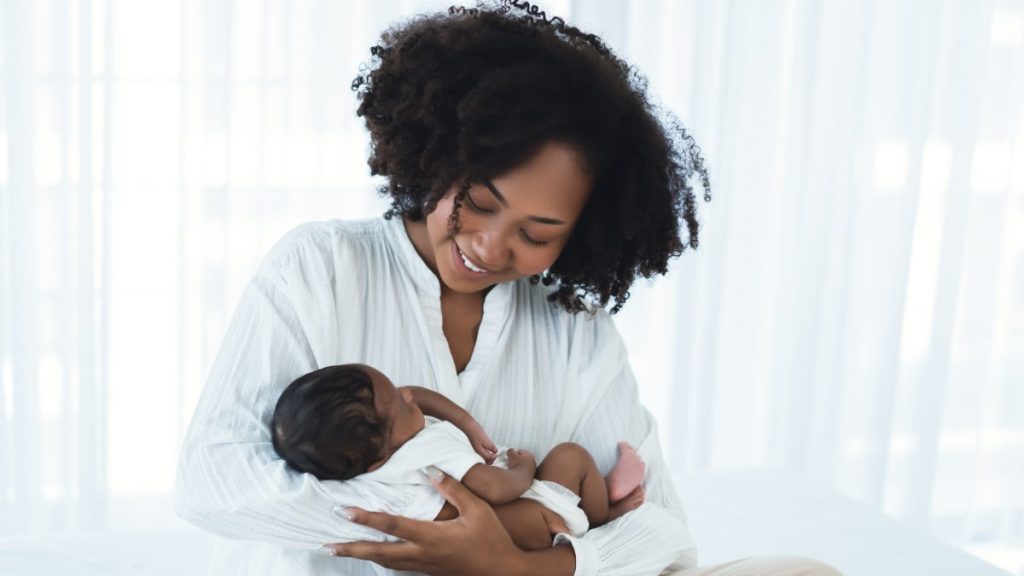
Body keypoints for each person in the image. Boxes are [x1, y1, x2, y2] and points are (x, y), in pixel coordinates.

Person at [175, 1, 843, 575]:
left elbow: (665, 535)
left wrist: (512, 564)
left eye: (539, 232)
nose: (490, 247)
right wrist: (438, 524)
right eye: (480, 200)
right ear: (435, 156)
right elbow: (213, 479)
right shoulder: (320, 266)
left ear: (583, 233)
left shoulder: (574, 331)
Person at [271, 363, 648, 551]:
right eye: (400, 406)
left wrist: (467, 423)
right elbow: (497, 489)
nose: (407, 396)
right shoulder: (428, 451)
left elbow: (413, 395)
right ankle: (604, 514)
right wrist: (525, 465)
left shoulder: (366, 464)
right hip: (538, 514)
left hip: (510, 532)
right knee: (571, 456)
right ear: (380, 452)